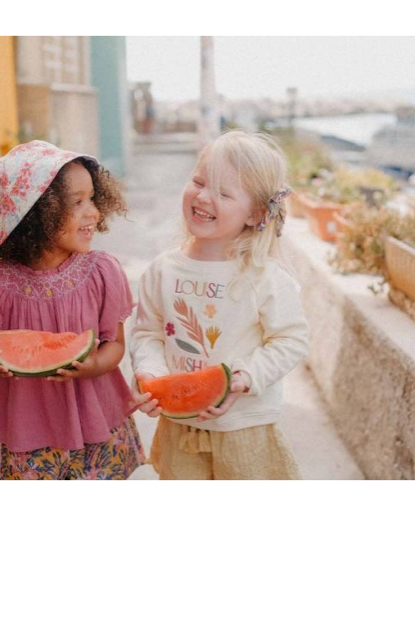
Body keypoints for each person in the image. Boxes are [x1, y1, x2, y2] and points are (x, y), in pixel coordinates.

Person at [0, 139, 146, 481]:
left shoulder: (101, 271)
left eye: (93, 199)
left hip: (95, 419)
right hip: (30, 428)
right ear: (37, 215)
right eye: (77, 203)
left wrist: (93, 364)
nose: (94, 212)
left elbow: (114, 344)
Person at [130, 129, 309, 480]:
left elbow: (291, 341)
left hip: (246, 428)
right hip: (179, 428)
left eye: (224, 192)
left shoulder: (264, 278)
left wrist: (245, 376)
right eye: (198, 181)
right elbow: (147, 333)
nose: (203, 196)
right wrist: (149, 373)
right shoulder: (163, 270)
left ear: (256, 214)